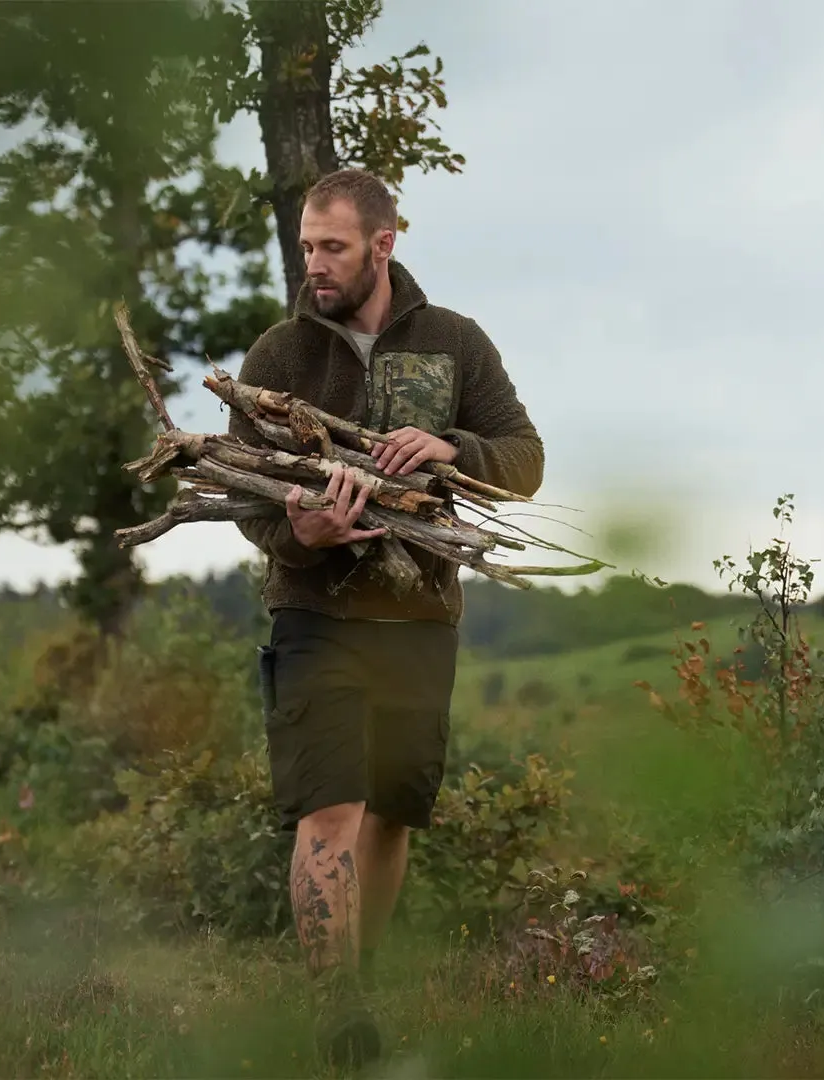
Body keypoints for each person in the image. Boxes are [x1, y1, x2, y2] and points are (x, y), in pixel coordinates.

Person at [228, 168, 545, 1067]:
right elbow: (250, 502)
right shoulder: (279, 355)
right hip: (314, 613)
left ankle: (360, 992)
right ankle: (338, 1016)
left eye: (332, 247)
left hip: (421, 618)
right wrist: (300, 530)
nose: (314, 264)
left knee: (395, 813)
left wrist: (456, 446)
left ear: (384, 244)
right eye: (306, 247)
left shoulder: (456, 342)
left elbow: (525, 461)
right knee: (330, 806)